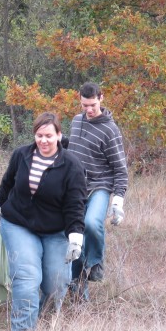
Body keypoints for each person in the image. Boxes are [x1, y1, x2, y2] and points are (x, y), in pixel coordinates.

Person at [0, 112, 86, 331]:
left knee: (56, 283)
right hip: (19, 224)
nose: (43, 141)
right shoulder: (21, 155)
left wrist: (76, 236)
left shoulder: (72, 165)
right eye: (39, 136)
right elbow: (7, 182)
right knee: (27, 277)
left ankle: (44, 329)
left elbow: (76, 204)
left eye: (48, 136)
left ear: (59, 135)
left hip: (56, 230)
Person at [67, 82, 128, 286]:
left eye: (92, 105)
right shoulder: (76, 121)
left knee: (92, 224)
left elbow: (120, 168)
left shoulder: (110, 130)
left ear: (101, 98)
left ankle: (96, 262)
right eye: (85, 105)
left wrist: (118, 199)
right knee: (74, 235)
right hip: (75, 187)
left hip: (99, 186)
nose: (89, 110)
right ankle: (76, 284)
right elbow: (73, 149)